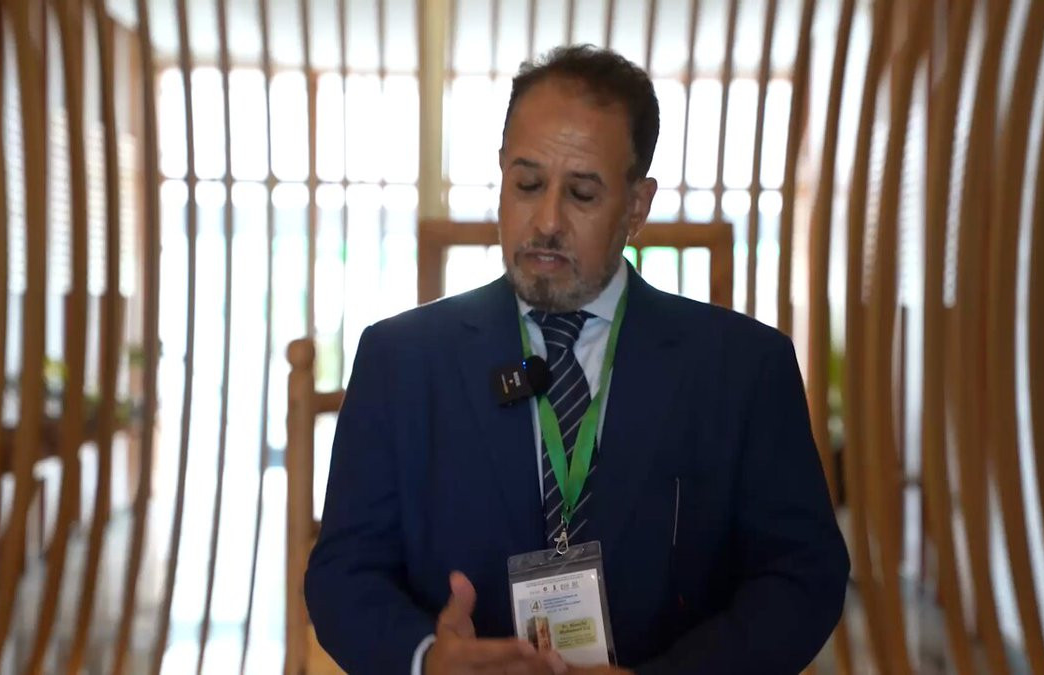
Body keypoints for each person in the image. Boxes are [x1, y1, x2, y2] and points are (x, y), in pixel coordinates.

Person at [305, 45, 850, 675]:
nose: (546, 222)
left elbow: (802, 577)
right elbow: (342, 575)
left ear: (637, 206)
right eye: (527, 185)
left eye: (582, 194)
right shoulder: (400, 361)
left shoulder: (743, 368)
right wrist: (428, 660)